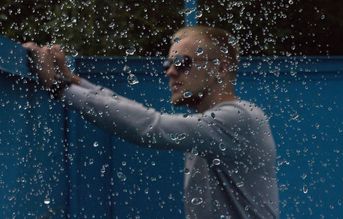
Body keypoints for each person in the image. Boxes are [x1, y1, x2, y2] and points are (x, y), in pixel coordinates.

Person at [23, 25, 279, 219]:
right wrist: (75, 82)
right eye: (168, 63)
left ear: (220, 68)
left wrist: (61, 89)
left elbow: (151, 127)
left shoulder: (238, 118)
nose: (170, 71)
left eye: (181, 62)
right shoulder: (210, 124)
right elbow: (139, 113)